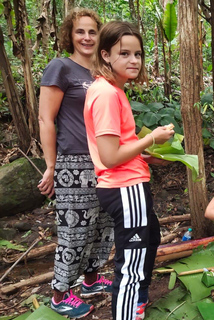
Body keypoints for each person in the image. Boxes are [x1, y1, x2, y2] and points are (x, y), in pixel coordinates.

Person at [83, 21, 174, 320]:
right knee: (131, 264)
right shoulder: (107, 94)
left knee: (150, 240)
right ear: (106, 55)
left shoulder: (110, 90)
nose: (134, 60)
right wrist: (152, 138)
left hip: (127, 181)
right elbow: (109, 157)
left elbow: (116, 148)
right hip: (124, 187)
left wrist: (146, 155)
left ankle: (139, 301)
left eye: (138, 54)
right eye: (125, 53)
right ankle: (127, 311)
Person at [37, 8, 114, 319]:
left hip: (105, 160)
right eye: (80, 31)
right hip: (75, 163)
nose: (86, 37)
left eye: (92, 32)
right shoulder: (61, 67)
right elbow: (46, 118)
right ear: (69, 34)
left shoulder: (100, 72)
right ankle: (60, 294)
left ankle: (92, 280)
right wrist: (52, 166)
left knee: (103, 226)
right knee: (75, 231)